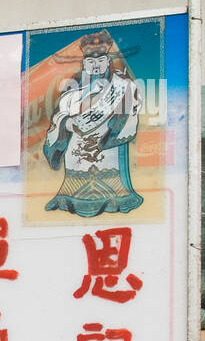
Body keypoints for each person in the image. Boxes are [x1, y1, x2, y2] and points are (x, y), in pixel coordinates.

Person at [43, 31, 143, 217]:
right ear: (84, 64)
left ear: (108, 62)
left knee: (109, 173)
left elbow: (133, 106)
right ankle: (71, 198)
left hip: (106, 139)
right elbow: (60, 114)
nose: (96, 66)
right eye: (91, 62)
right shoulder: (73, 88)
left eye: (100, 61)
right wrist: (67, 123)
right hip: (77, 141)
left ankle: (114, 198)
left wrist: (116, 121)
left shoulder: (121, 84)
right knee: (77, 172)